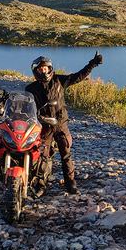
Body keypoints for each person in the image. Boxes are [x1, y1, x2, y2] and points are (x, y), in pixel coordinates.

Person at [26, 52, 103, 195]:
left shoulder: (59, 81)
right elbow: (25, 106)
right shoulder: (30, 89)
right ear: (36, 71)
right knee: (43, 156)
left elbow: (79, 76)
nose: (43, 71)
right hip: (43, 127)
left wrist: (93, 63)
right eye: (40, 69)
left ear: (50, 68)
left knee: (66, 154)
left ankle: (71, 184)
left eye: (46, 68)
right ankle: (40, 185)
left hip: (60, 124)